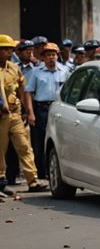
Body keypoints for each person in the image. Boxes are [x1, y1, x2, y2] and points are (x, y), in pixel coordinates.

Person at [0, 35, 45, 193]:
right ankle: (1, 180)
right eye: (5, 49)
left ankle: (32, 181)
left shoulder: (14, 68)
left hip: (15, 115)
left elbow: (22, 89)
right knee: (1, 149)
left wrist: (26, 110)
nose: (8, 52)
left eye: (10, 49)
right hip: (1, 117)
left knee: (25, 147)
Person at [25, 42, 69, 180]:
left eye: (53, 54)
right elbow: (28, 93)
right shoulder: (36, 72)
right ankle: (41, 172)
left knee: (58, 140)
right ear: (43, 57)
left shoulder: (64, 71)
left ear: (57, 56)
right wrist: (30, 113)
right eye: (48, 55)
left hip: (58, 108)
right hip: (41, 110)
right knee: (39, 142)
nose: (51, 57)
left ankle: (56, 171)